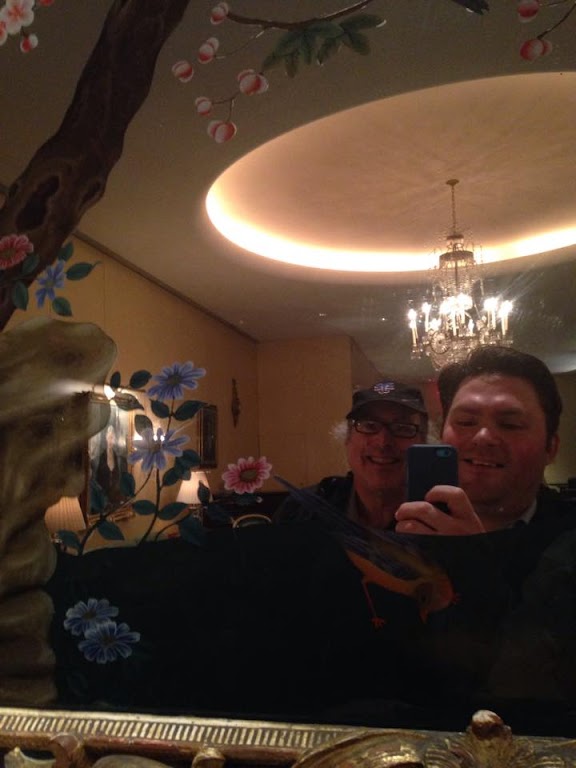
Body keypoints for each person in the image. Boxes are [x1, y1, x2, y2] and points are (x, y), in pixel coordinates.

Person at [395, 345, 574, 536]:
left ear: (550, 448)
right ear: (442, 434)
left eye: (510, 424)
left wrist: (472, 549)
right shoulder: (395, 527)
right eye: (465, 422)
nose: (482, 437)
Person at [275, 381, 428, 529]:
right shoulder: (302, 510)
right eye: (369, 425)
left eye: (402, 428)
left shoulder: (436, 514)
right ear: (347, 438)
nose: (383, 442)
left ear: (423, 442)